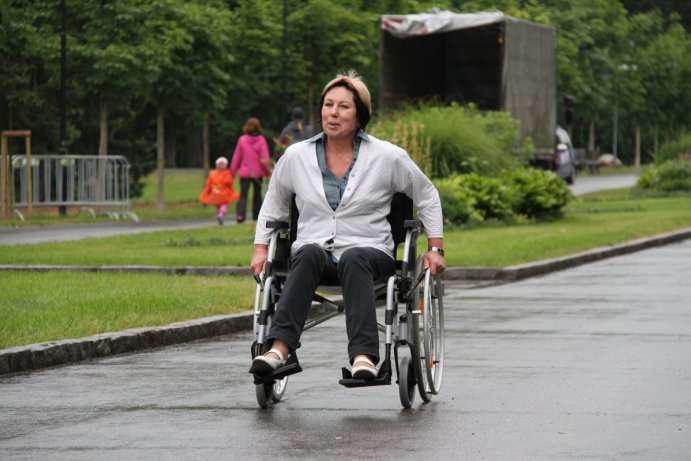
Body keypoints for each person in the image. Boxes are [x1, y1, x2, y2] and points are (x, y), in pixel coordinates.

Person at [249, 71, 445, 380]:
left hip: (371, 255)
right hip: (317, 258)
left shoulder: (387, 157)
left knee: (355, 256)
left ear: (360, 115)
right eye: (328, 105)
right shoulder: (296, 156)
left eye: (343, 107)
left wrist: (435, 248)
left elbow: (427, 194)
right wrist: (261, 249)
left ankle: (364, 358)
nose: (333, 113)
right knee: (309, 251)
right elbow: (273, 202)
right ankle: (279, 350)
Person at [230, 117, 271, 223]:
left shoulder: (242, 139)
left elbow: (236, 157)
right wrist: (267, 173)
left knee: (243, 194)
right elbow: (264, 159)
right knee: (257, 195)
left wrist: (232, 172)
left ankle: (240, 215)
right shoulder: (261, 140)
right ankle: (256, 215)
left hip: (244, 172)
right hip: (257, 173)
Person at [198, 156, 239, 225]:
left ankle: (219, 215)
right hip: (224, 194)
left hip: (215, 194)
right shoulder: (226, 173)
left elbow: (208, 185)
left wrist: (206, 194)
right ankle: (221, 214)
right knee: (223, 205)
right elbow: (229, 183)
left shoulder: (212, 174)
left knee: (218, 205)